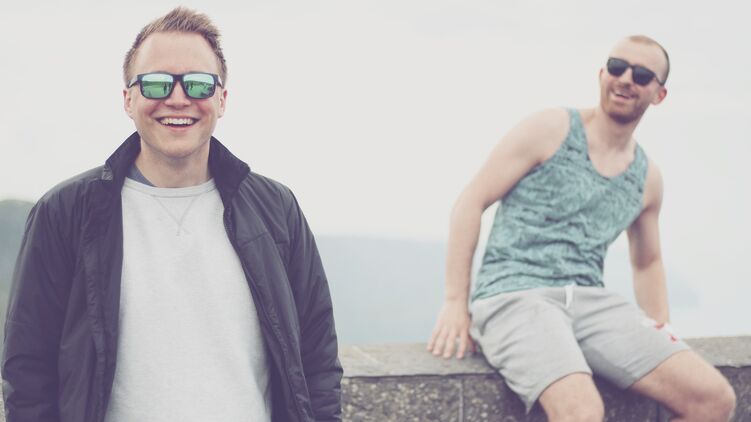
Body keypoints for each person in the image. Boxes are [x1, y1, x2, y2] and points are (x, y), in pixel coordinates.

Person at [2, 7, 341, 422]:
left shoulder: (276, 209)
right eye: (156, 83)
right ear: (128, 99)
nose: (178, 98)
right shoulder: (64, 213)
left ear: (221, 99)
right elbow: (28, 372)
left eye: (198, 84)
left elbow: (317, 358)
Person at [427, 35, 736, 421]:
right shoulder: (550, 128)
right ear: (602, 73)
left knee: (714, 400)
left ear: (659, 94)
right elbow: (470, 202)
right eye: (617, 67)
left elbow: (647, 262)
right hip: (514, 295)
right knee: (582, 411)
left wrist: (659, 332)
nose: (626, 79)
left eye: (642, 75)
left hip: (591, 302)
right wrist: (455, 302)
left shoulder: (647, 178)